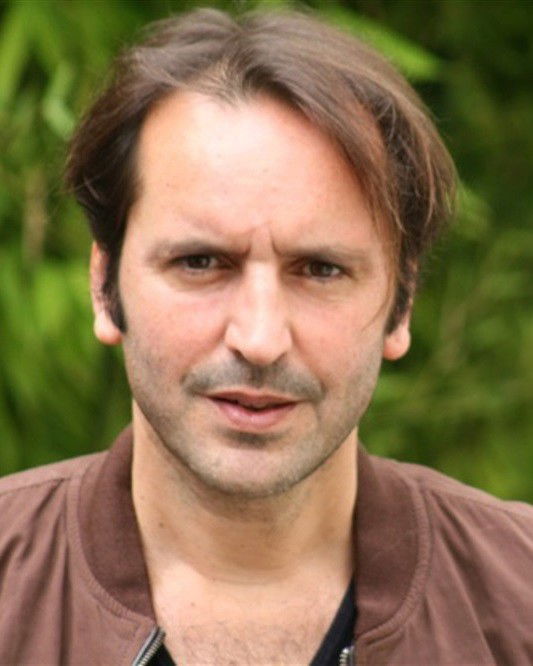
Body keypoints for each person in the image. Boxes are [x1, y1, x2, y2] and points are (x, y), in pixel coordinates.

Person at [0, 7, 532, 665]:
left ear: (401, 306)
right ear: (105, 287)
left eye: (320, 270)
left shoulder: (519, 598)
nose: (259, 339)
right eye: (200, 262)